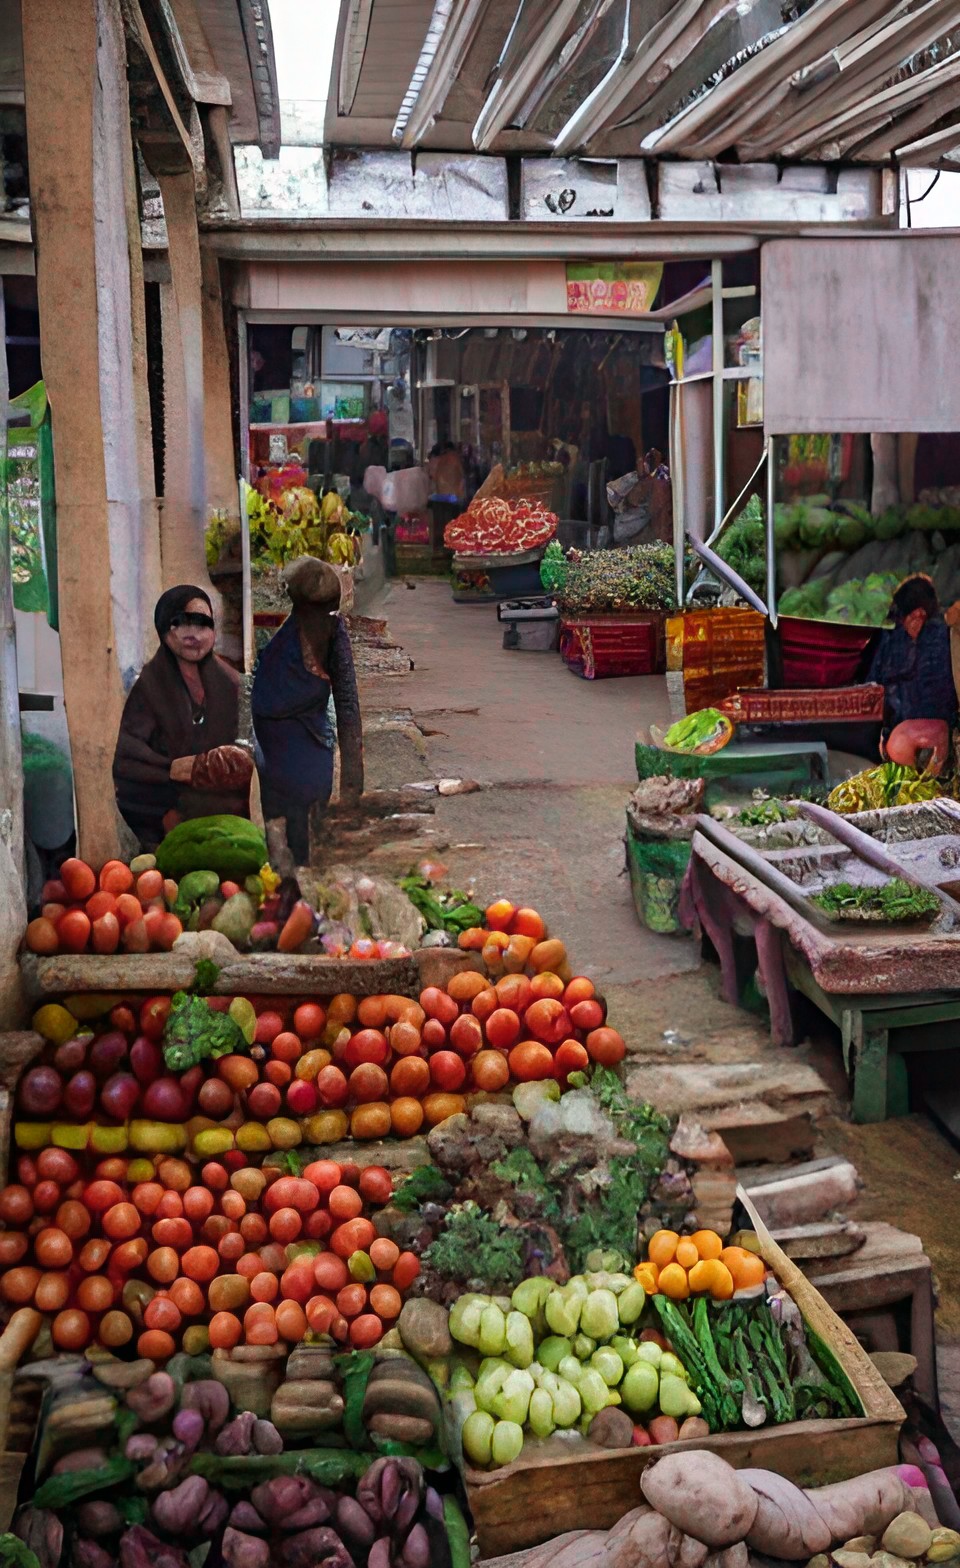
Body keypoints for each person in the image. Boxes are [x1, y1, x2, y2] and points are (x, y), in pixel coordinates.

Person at [113, 586, 252, 848]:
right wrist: (174, 770)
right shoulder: (149, 688)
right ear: (164, 628)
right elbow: (128, 762)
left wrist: (219, 766)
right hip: (168, 823)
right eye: (180, 623)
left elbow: (248, 752)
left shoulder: (233, 685)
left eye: (203, 624)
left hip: (229, 827)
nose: (193, 635)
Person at [251, 557, 364, 865]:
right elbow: (347, 703)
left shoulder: (329, 633)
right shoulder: (288, 637)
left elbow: (347, 703)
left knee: (301, 836)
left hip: (304, 752)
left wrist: (352, 786)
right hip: (276, 752)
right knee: (282, 834)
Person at [867, 574, 957, 767]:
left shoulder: (943, 638)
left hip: (936, 737)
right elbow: (873, 686)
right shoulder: (892, 637)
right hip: (896, 740)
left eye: (901, 618)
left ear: (918, 615)